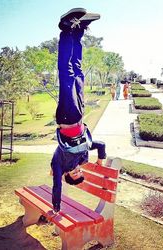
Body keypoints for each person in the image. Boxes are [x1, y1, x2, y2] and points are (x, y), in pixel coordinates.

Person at [51, 8, 106, 213]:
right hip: (79, 115)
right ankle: (79, 30)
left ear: (67, 175)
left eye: (73, 174)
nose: (77, 170)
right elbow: (99, 144)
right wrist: (101, 158)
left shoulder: (59, 165)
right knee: (79, 72)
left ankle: (66, 29)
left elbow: (57, 185)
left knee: (66, 72)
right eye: (79, 173)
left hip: (66, 116)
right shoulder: (83, 158)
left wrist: (56, 207)